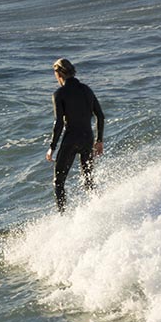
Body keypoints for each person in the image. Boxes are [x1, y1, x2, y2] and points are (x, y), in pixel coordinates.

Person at [46, 58, 105, 213]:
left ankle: (63, 217)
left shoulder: (59, 94)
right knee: (88, 180)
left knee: (59, 182)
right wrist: (99, 141)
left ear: (59, 73)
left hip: (71, 140)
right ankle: (99, 209)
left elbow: (59, 123)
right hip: (87, 139)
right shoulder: (87, 90)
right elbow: (100, 115)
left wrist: (52, 147)